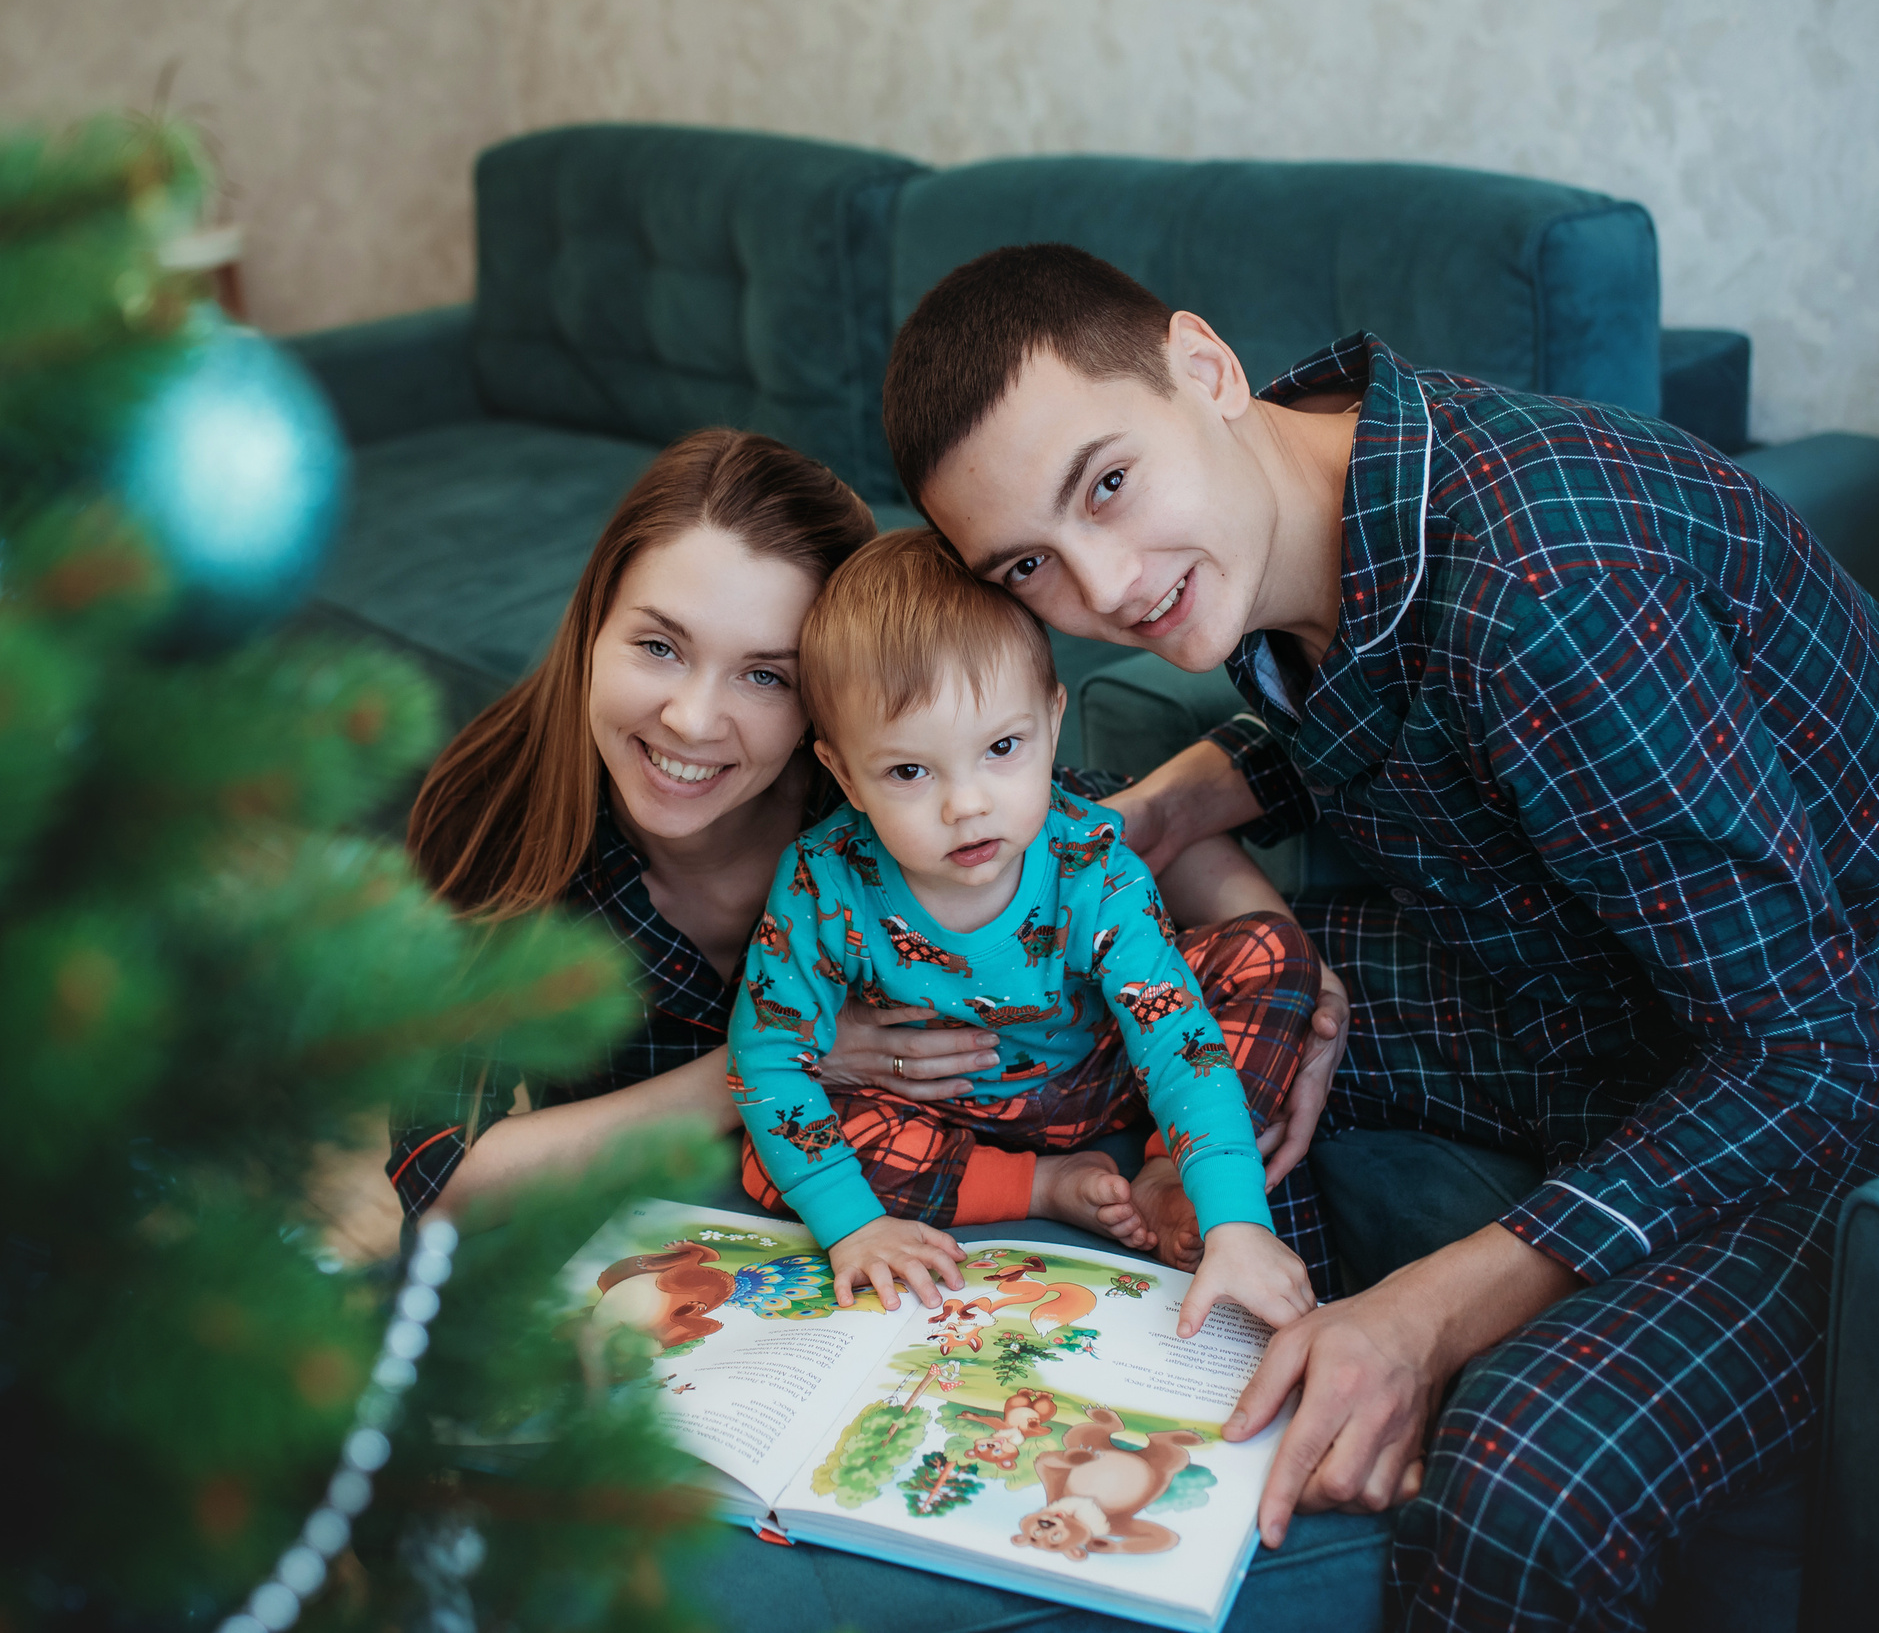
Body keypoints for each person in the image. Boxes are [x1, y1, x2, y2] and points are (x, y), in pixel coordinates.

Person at [879, 244, 1879, 1631]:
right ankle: (1257, 1418)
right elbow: (1430, 703)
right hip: (1602, 998)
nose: (1104, 585)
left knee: (1522, 1481)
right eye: (1031, 562)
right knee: (1169, 1011)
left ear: (1204, 368)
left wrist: (1428, 1313)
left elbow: (1810, 1057)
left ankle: (1358, 1382)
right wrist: (1179, 799)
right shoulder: (1341, 492)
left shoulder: (1545, 588)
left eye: (1107, 482)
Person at [385, 428, 1351, 1262]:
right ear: (594, 622)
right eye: (659, 646)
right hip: (778, 1173)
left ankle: (1162, 1177)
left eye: (765, 675)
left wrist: (1287, 967)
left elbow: (1105, 828)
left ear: (833, 709)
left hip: (1023, 1115)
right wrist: (782, 1062)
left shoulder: (889, 796)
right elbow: (441, 1179)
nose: (691, 718)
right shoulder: (501, 813)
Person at [728, 527, 1318, 1330]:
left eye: (1002, 748)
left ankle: (1167, 1171)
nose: (965, 804)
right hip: (944, 1106)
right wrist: (855, 1229)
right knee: (773, 1152)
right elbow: (768, 1059)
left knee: (1270, 952)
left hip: (1111, 1065)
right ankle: (1040, 1186)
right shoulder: (821, 881)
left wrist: (1236, 1221)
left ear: (1051, 719)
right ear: (842, 773)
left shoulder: (1091, 867)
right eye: (909, 771)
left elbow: (1177, 1036)